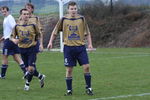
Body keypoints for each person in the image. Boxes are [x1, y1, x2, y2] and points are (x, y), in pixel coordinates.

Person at [47, 1, 94, 96]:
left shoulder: (81, 18)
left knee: (87, 67)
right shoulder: (63, 19)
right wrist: (50, 42)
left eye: (75, 9)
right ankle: (69, 90)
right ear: (68, 10)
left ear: (77, 9)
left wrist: (90, 44)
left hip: (80, 47)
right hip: (68, 48)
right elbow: (55, 31)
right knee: (69, 70)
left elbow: (87, 32)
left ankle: (88, 88)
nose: (73, 10)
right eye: (71, 9)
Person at [12, 8, 45, 91]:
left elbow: (39, 35)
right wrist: (14, 40)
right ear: (21, 15)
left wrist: (41, 44)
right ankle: (41, 76)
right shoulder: (17, 26)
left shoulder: (33, 25)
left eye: (27, 14)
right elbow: (11, 36)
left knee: (30, 68)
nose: (26, 16)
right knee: (28, 69)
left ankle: (27, 85)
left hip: (32, 48)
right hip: (22, 49)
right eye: (24, 14)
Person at [0, 6, 26, 79]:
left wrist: (14, 38)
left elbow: (14, 28)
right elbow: (8, 31)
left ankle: (2, 75)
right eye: (2, 12)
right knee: (16, 57)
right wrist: (3, 38)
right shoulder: (6, 18)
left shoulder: (10, 18)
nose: (3, 13)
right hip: (10, 40)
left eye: (5, 11)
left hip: (9, 41)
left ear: (8, 11)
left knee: (4, 57)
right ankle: (26, 72)